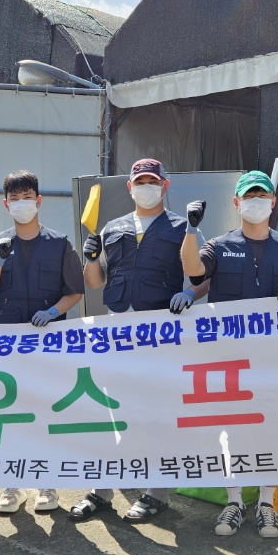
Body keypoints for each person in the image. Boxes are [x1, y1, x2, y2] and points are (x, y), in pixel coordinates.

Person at [179, 170, 278, 540]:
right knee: (230, 427)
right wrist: (191, 230)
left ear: (273, 201)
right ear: (237, 203)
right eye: (249, 195)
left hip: (274, 359)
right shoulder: (219, 245)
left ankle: (267, 504)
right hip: (229, 357)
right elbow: (194, 271)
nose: (256, 201)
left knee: (270, 428)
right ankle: (234, 500)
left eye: (263, 195)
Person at [73, 158, 195, 525]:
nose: (146, 186)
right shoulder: (113, 228)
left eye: (152, 181)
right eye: (139, 181)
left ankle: (156, 493)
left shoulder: (181, 227)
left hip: (161, 334)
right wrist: (90, 257)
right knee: (111, 412)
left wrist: (190, 293)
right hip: (118, 331)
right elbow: (95, 282)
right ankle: (102, 490)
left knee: (157, 414)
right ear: (129, 187)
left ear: (165, 185)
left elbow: (199, 273)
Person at [0, 170, 85, 514]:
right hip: (6, 342)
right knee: (10, 412)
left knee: (44, 410)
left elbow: (76, 291)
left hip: (48, 343)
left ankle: (47, 486)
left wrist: (53, 311)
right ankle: (11, 487)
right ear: (5, 204)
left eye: (27, 197)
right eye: (14, 198)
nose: (21, 204)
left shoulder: (59, 243)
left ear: (38, 201)